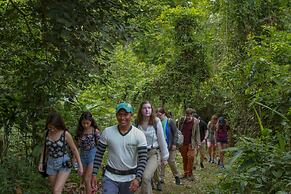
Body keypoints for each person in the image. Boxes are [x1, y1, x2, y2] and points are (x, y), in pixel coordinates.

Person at [91, 102, 147, 194]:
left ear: (131, 115)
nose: (122, 118)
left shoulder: (139, 135)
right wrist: (94, 174)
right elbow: (99, 154)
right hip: (110, 176)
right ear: (116, 115)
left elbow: (143, 158)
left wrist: (138, 178)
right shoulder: (107, 132)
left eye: (125, 114)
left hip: (130, 178)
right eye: (120, 114)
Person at [38, 112, 83, 194]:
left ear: (58, 125)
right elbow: (44, 148)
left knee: (56, 190)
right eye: (49, 127)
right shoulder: (46, 133)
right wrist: (41, 162)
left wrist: (80, 165)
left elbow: (74, 149)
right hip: (50, 163)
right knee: (55, 190)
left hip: (63, 163)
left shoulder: (65, 134)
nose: (51, 130)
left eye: (53, 127)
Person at [136, 101, 169, 194]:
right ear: (141, 110)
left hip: (153, 153)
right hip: (140, 154)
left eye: (149, 108)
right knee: (143, 179)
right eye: (144, 108)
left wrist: (165, 157)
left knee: (146, 177)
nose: (147, 110)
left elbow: (161, 139)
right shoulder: (137, 122)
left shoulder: (156, 121)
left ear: (152, 109)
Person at [75, 112, 100, 194]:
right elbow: (76, 146)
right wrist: (74, 158)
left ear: (91, 121)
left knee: (87, 178)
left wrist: (99, 158)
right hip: (82, 155)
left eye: (87, 123)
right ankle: (92, 190)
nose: (85, 125)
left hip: (93, 155)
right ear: (80, 122)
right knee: (84, 179)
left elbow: (100, 145)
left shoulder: (95, 131)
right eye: (83, 123)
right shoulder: (80, 131)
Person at [156, 107, 181, 185]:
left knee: (171, 161)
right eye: (157, 115)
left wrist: (174, 143)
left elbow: (175, 133)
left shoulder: (170, 121)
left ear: (163, 114)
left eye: (160, 115)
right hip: (161, 146)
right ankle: (161, 178)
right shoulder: (157, 122)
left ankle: (176, 176)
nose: (158, 117)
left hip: (170, 145)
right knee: (161, 163)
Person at [177, 108, 200, 181]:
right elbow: (178, 130)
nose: (188, 116)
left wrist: (198, 143)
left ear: (192, 115)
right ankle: (185, 173)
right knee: (185, 158)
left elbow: (197, 133)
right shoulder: (182, 120)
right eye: (187, 115)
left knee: (191, 157)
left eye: (190, 115)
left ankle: (190, 174)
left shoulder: (195, 122)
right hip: (183, 142)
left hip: (191, 143)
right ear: (185, 114)